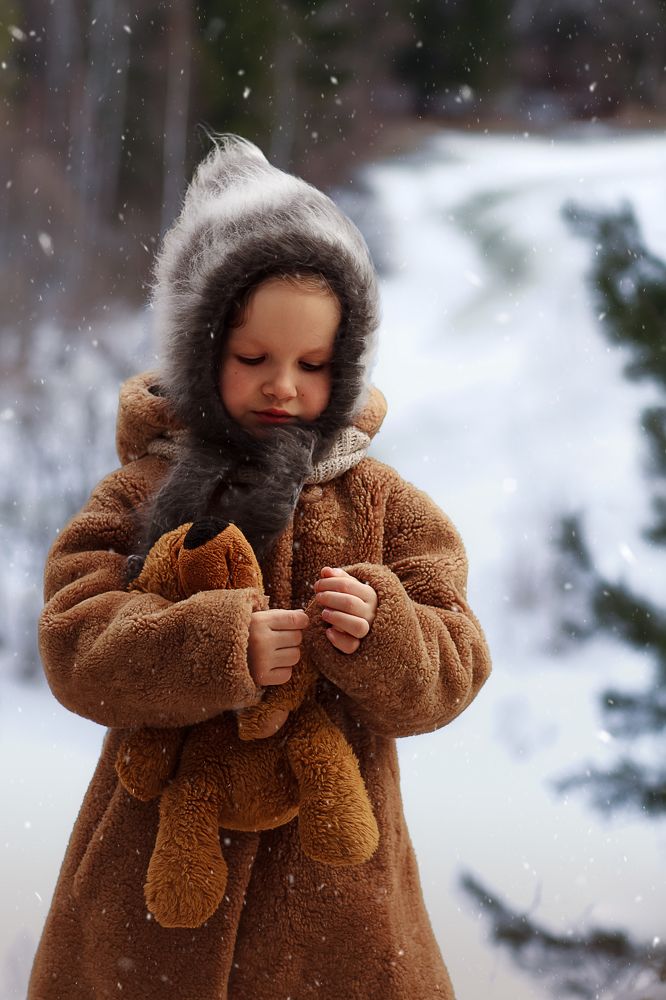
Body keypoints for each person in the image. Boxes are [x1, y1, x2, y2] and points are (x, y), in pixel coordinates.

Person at [28, 135, 492, 1000]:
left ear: (347, 364)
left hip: (338, 908)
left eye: (314, 365)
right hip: (145, 895)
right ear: (199, 353)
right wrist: (214, 647)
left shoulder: (382, 505)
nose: (283, 385)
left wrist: (385, 632)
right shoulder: (138, 494)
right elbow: (74, 643)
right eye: (252, 360)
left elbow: (456, 659)